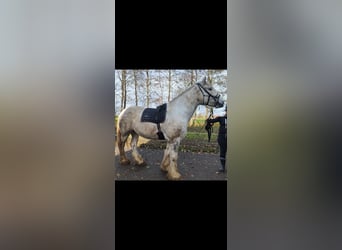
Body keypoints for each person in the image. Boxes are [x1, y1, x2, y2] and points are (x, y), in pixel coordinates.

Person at [206, 105, 227, 173]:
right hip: (222, 138)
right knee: (222, 152)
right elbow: (210, 121)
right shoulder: (221, 118)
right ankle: (223, 167)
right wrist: (209, 117)